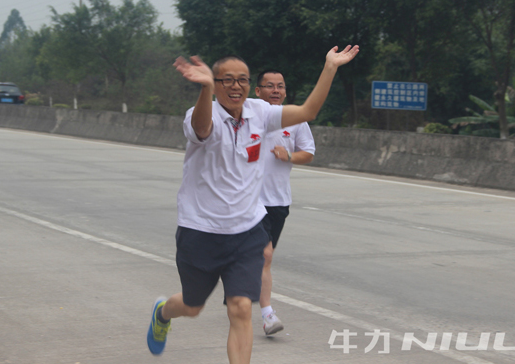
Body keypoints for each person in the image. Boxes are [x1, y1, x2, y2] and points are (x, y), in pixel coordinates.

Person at [147, 45, 359, 364]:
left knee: (242, 308)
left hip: (247, 230)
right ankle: (163, 314)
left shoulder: (259, 112)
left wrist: (330, 67)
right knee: (192, 306)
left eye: (242, 79)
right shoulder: (200, 114)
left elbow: (307, 112)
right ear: (215, 84)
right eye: (226, 79)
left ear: (250, 85)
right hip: (200, 231)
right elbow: (203, 129)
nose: (235, 85)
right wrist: (205, 88)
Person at [254, 70, 315, 335]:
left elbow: (308, 153)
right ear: (257, 91)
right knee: (265, 255)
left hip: (278, 200)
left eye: (280, 86)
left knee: (264, 259)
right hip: (248, 199)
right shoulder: (248, 116)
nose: (275, 90)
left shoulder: (295, 120)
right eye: (269, 86)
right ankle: (268, 315)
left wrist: (288, 155)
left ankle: (240, 285)